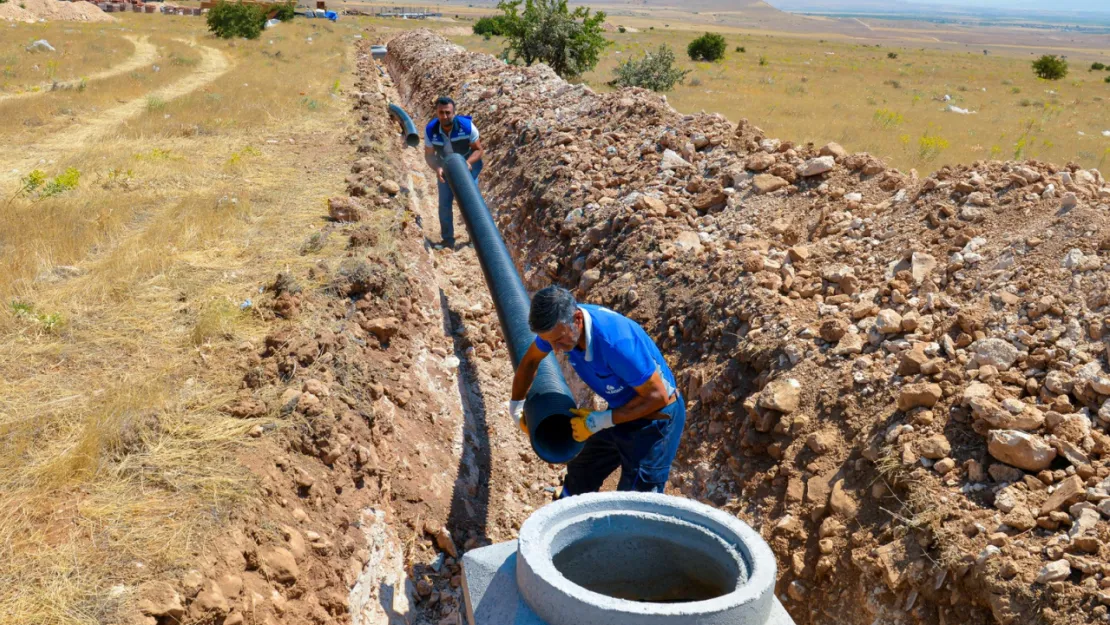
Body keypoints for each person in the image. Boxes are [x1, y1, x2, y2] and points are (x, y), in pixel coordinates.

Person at [509, 286, 686, 497]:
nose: (555, 348)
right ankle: (567, 517)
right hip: (623, 408)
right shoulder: (560, 328)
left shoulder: (616, 343)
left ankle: (629, 529)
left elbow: (657, 396)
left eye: (558, 340)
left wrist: (599, 421)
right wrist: (516, 406)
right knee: (583, 467)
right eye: (549, 341)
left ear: (577, 319)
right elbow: (530, 362)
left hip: (657, 419)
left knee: (635, 498)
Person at [423, 96, 484, 250]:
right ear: (437, 113)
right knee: (444, 204)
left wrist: (468, 163)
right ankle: (447, 240)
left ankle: (474, 239)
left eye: (448, 113)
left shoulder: (467, 126)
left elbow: (478, 149)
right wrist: (437, 168)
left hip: (467, 167)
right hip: (445, 167)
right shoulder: (431, 129)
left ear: (454, 113)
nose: (444, 116)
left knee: (471, 203)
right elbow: (429, 155)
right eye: (441, 113)